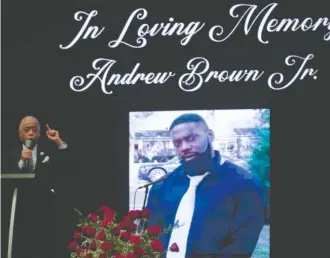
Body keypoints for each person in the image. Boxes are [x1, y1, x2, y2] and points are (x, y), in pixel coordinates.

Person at [146, 113, 266, 258]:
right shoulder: (162, 187)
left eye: (191, 138)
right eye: (177, 143)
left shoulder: (245, 184)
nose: (184, 147)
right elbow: (152, 237)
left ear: (210, 135)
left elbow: (240, 248)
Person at [2, 116, 75, 258]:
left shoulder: (49, 152)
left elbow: (70, 166)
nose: (30, 133)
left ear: (40, 134)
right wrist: (21, 162)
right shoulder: (9, 155)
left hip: (45, 209)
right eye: (26, 130)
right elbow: (6, 179)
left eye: (34, 130)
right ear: (20, 134)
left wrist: (59, 142)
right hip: (19, 210)